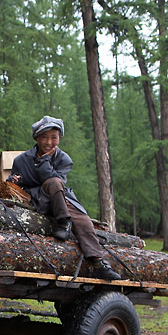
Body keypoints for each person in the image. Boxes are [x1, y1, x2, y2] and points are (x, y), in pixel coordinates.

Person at [8, 115, 121, 281]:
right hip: (38, 200)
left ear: (59, 138)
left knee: (83, 220)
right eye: (44, 137)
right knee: (54, 183)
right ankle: (64, 222)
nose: (48, 142)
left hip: (59, 199)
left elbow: (55, 180)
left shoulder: (64, 159)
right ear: (37, 138)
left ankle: (98, 262)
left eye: (54, 137)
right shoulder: (21, 160)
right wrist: (13, 181)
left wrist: (45, 160)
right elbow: (16, 183)